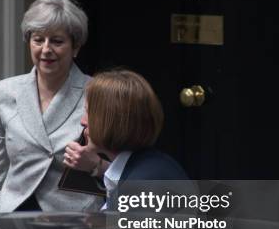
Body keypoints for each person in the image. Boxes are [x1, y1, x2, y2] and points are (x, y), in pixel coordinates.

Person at [0, 0, 103, 213]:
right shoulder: (5, 91)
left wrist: (95, 165)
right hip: (13, 215)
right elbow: (1, 169)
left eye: (57, 41)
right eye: (38, 39)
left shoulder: (97, 92)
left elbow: (120, 167)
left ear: (75, 47)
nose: (46, 49)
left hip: (73, 218)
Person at [64, 69, 189, 207]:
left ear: (111, 121)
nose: (83, 121)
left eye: (88, 112)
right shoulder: (154, 165)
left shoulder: (140, 190)